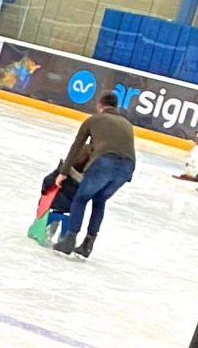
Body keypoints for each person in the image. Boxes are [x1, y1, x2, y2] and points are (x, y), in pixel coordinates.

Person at [47, 97, 136, 257]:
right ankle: (88, 245)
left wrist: (63, 172)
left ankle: (69, 240)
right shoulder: (127, 124)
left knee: (81, 198)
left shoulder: (93, 120)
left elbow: (77, 147)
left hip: (105, 163)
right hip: (127, 169)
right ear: (116, 107)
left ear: (99, 105)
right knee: (100, 201)